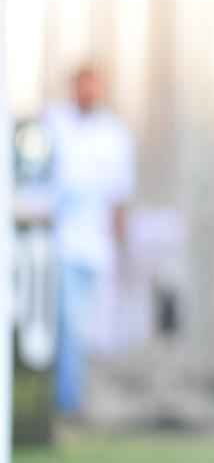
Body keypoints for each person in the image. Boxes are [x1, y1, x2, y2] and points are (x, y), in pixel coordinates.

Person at [42, 64, 135, 416]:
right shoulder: (54, 124)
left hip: (94, 245)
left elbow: (119, 195)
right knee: (66, 321)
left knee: (83, 328)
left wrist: (120, 246)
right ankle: (67, 402)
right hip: (59, 240)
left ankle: (71, 396)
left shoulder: (114, 134)